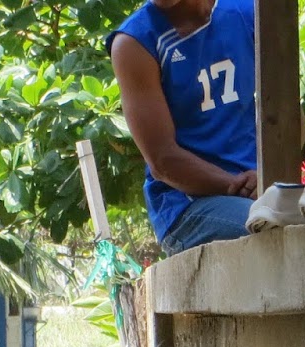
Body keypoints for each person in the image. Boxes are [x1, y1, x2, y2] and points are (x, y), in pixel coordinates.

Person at [108, 0, 257, 255]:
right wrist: (244, 186)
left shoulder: (249, 11)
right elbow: (163, 161)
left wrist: (266, 176)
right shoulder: (135, 42)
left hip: (260, 187)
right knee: (272, 227)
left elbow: (288, 115)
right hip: (188, 206)